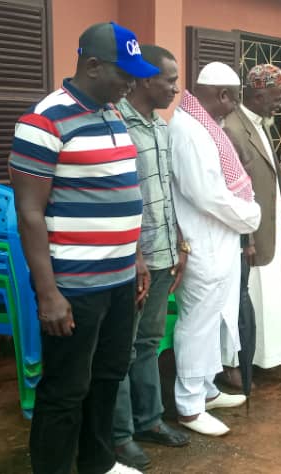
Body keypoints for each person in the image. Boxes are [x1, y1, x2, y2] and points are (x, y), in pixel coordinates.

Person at [11, 22, 158, 474]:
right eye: (124, 73)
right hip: (74, 285)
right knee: (65, 389)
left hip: (120, 280)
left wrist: (136, 258)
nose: (131, 83)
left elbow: (122, 193)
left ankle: (99, 463)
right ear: (93, 66)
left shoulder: (113, 112)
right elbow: (29, 213)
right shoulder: (44, 121)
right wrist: (48, 294)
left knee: (108, 376)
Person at [169, 62, 261, 436]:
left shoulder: (205, 126)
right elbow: (206, 194)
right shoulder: (189, 131)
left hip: (219, 242)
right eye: (234, 98)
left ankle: (206, 391)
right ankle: (189, 406)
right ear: (222, 95)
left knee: (213, 323)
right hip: (202, 243)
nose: (235, 106)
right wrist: (250, 216)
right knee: (197, 324)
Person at [111, 45, 189, 470]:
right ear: (144, 79)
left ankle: (150, 420)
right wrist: (135, 254)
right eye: (169, 80)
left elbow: (166, 192)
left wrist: (180, 243)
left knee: (148, 342)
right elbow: (118, 199)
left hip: (162, 255)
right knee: (121, 350)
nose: (175, 89)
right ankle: (120, 436)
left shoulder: (160, 127)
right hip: (130, 260)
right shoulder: (117, 124)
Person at [218, 64, 281, 388]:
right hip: (249, 234)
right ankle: (234, 364)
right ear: (258, 95)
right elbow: (233, 189)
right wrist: (246, 238)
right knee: (244, 300)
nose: (280, 104)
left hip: (268, 227)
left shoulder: (261, 122)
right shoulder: (233, 128)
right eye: (276, 98)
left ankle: (261, 357)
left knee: (267, 297)